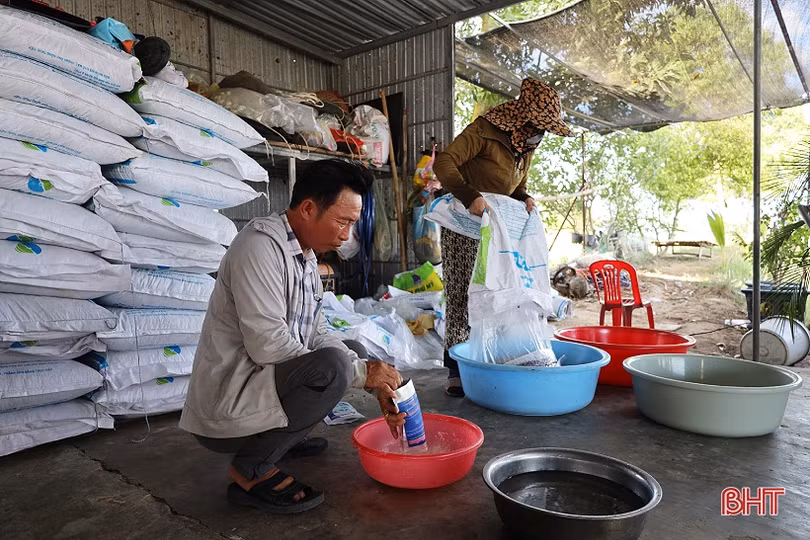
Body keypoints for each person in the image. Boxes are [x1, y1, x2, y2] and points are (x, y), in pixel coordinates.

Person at [180, 159, 406, 514]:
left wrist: (370, 377)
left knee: (351, 349)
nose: (347, 235)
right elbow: (268, 344)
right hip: (227, 407)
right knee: (336, 367)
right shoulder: (258, 248)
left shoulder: (304, 258)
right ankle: (251, 467)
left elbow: (317, 331)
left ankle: (278, 439)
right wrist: (360, 373)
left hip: (258, 386)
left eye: (352, 223)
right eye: (343, 221)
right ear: (308, 208)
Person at [433, 78, 575, 397]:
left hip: (498, 227)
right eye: (539, 127)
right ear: (522, 119)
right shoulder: (484, 131)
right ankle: (456, 368)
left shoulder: (526, 143)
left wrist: (524, 197)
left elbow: (516, 183)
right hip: (465, 224)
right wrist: (470, 196)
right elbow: (444, 163)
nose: (541, 134)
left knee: (499, 291)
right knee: (463, 293)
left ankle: (490, 358)